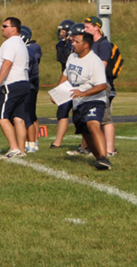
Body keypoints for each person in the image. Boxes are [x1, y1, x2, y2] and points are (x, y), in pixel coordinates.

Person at [51, 32, 111, 170]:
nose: (73, 44)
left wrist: (83, 93)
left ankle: (104, 158)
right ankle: (100, 160)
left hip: (94, 99)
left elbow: (102, 85)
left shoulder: (94, 61)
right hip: (78, 102)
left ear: (86, 45)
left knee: (93, 125)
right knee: (85, 133)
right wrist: (57, 92)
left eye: (76, 42)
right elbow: (66, 74)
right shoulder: (72, 57)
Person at [0, 17, 30, 159]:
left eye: (5, 26)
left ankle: (14, 148)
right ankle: (21, 149)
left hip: (12, 83)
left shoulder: (10, 43)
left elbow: (7, 63)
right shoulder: (20, 43)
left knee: (1, 116)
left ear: (14, 28)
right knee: (18, 117)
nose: (2, 28)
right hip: (23, 82)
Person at [84, 16, 117, 157]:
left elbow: (102, 65)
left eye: (88, 27)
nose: (85, 29)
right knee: (95, 118)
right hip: (92, 84)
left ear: (97, 27)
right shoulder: (91, 43)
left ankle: (110, 150)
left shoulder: (103, 44)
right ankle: (97, 148)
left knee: (105, 118)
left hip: (102, 83)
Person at [50, 19, 75, 149]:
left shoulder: (76, 46)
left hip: (79, 82)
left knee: (81, 114)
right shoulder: (61, 46)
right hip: (67, 81)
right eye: (61, 31)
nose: (61, 34)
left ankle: (87, 144)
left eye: (64, 32)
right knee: (62, 111)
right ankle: (57, 143)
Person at [20, 26, 42, 153]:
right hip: (33, 85)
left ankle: (31, 144)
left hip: (27, 85)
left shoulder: (29, 52)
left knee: (26, 116)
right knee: (31, 115)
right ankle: (34, 142)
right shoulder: (34, 49)